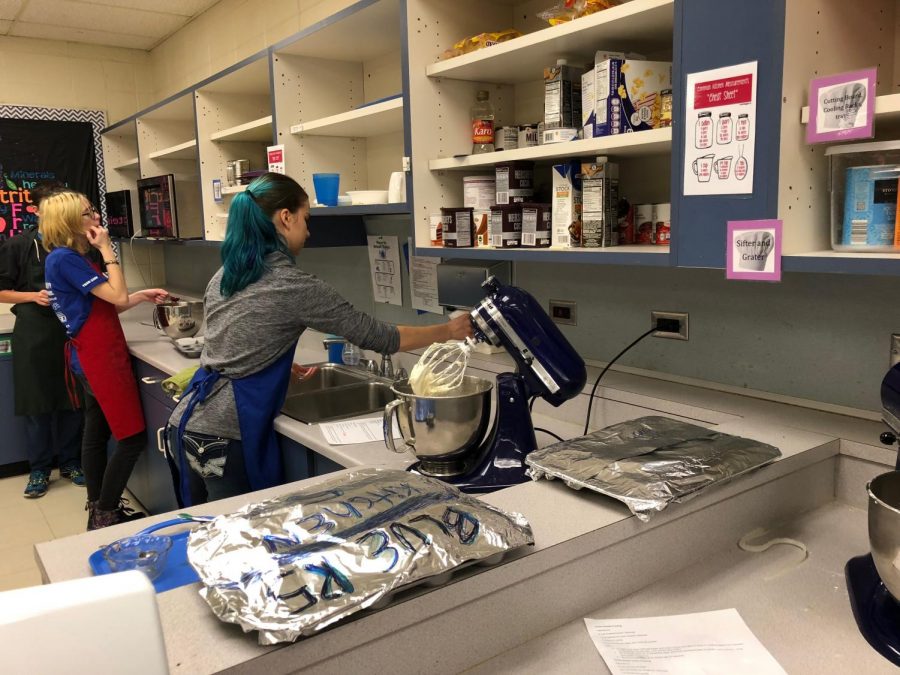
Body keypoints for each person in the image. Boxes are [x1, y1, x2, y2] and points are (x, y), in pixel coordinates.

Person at [168, 172, 473, 505]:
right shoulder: (294, 285)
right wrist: (449, 331)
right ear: (286, 218)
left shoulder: (226, 274)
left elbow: (226, 340)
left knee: (202, 534)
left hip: (187, 423)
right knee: (239, 542)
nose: (309, 231)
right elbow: (381, 337)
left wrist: (274, 360)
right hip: (226, 437)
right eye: (306, 219)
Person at [40, 190, 169, 529]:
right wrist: (108, 249)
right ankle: (106, 512)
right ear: (69, 221)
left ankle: (97, 506)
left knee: (95, 434)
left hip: (92, 354)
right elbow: (115, 294)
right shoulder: (67, 258)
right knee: (131, 438)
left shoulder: (67, 257)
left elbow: (106, 302)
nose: (96, 217)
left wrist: (141, 296)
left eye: (92, 210)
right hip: (99, 357)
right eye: (87, 213)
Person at [0, 182, 85, 497]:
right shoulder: (18, 245)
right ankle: (38, 470)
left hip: (69, 331)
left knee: (72, 401)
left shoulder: (73, 246)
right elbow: (1, 290)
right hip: (34, 332)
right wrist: (32, 296)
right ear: (35, 211)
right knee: (36, 405)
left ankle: (71, 463)